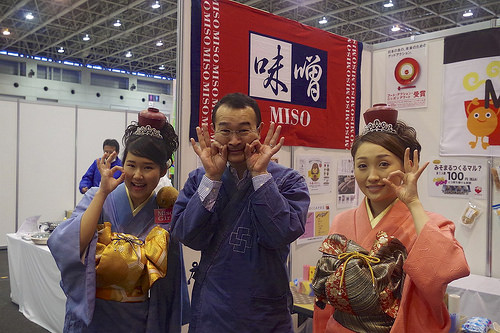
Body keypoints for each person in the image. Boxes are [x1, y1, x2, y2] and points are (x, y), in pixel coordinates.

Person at [311, 104, 470, 333]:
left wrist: (413, 203)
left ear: (408, 165)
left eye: (383, 164)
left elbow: (442, 274)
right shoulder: (341, 222)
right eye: (362, 166)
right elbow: (325, 293)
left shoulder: (430, 224)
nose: (372, 176)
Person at [171, 92, 310, 333]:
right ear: (213, 131)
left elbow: (280, 234)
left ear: (260, 130)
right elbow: (186, 235)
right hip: (213, 309)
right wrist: (212, 178)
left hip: (265, 312)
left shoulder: (288, 181)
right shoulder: (199, 179)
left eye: (244, 130)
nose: (234, 141)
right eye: (225, 131)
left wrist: (260, 176)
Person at [48, 108, 190, 332]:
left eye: (148, 167)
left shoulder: (164, 211)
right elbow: (69, 245)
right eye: (131, 165)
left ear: (163, 170)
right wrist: (102, 193)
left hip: (137, 318)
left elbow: (169, 281)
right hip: (95, 315)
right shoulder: (97, 196)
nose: (137, 175)